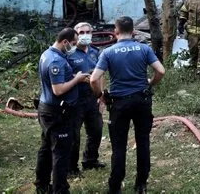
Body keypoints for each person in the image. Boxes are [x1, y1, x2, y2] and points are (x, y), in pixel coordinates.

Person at [90, 16, 165, 194]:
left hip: (119, 103)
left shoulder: (108, 52)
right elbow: (161, 71)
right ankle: (141, 184)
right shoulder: (144, 49)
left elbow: (93, 79)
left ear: (115, 32)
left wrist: (100, 96)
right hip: (142, 101)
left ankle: (115, 186)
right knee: (143, 142)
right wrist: (150, 84)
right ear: (133, 32)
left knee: (119, 146)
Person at [35, 28, 90, 194]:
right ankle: (60, 190)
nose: (74, 46)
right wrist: (77, 79)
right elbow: (58, 90)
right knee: (60, 153)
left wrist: (73, 75)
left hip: (47, 109)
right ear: (65, 42)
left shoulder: (47, 54)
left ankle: (42, 186)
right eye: (73, 43)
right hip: (57, 113)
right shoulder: (55, 61)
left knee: (46, 148)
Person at [66, 22, 105, 176]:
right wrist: (78, 78)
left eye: (88, 32)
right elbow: (63, 75)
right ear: (75, 35)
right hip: (75, 99)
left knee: (96, 130)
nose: (85, 35)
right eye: (81, 32)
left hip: (92, 98)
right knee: (74, 135)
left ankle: (90, 160)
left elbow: (101, 74)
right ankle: (71, 167)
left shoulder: (95, 52)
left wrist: (101, 96)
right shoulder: (69, 53)